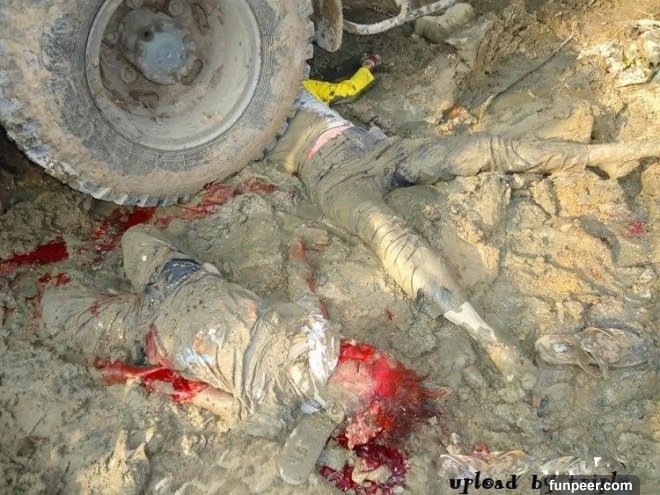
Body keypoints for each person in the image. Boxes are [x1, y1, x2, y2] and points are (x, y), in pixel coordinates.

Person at [268, 88, 659, 388]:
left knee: (487, 148)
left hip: (378, 147)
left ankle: (611, 154)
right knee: (391, 235)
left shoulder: (288, 74)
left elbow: (344, 83)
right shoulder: (239, 124)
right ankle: (489, 339)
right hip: (332, 177)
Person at [42, 225, 441, 485]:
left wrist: (130, 373)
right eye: (373, 351)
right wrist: (297, 248)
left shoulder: (274, 406)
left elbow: (192, 392)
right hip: (181, 278)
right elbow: (302, 285)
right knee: (135, 236)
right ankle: (126, 287)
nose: (362, 349)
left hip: (151, 332)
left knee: (54, 309)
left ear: (358, 414)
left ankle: (111, 304)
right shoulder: (318, 330)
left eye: (362, 364)